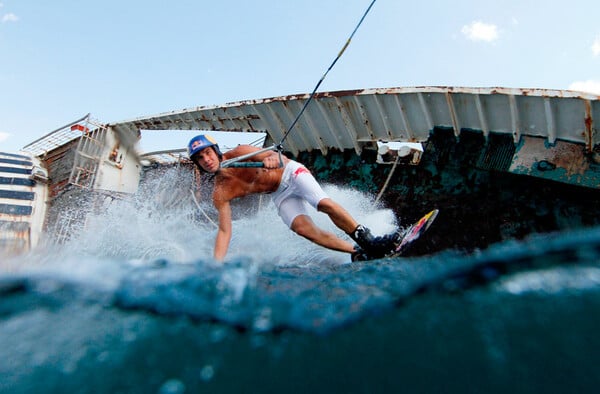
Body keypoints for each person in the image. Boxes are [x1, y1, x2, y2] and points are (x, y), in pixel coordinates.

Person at [187, 135, 400, 262]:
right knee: (303, 229)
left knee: (323, 204)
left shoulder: (241, 152)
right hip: (279, 194)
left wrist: (272, 159)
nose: (206, 160)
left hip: (291, 174)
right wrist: (217, 265)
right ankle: (357, 253)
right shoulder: (220, 193)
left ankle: (368, 240)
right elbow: (224, 231)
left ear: (215, 151)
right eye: (200, 158)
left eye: (208, 153)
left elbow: (281, 157)